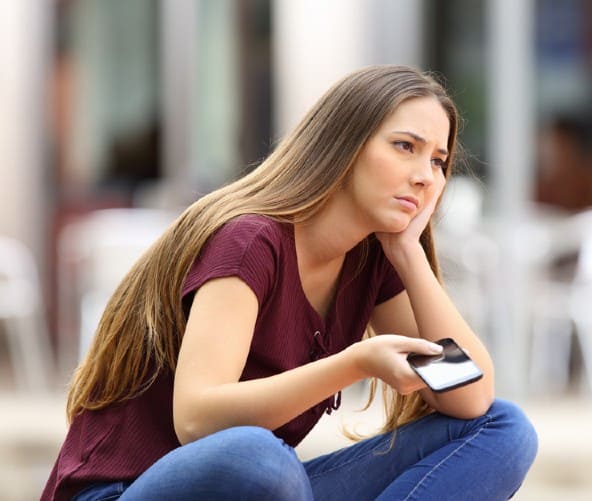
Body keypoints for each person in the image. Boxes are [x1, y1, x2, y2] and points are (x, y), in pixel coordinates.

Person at [42, 65, 538, 501]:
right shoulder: (250, 241)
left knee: (504, 428)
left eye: (437, 160)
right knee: (259, 458)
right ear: (343, 144)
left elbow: (468, 396)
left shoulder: (371, 260)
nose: (425, 176)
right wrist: (355, 363)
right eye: (405, 147)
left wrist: (408, 253)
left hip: (274, 487)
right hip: (128, 491)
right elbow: (196, 419)